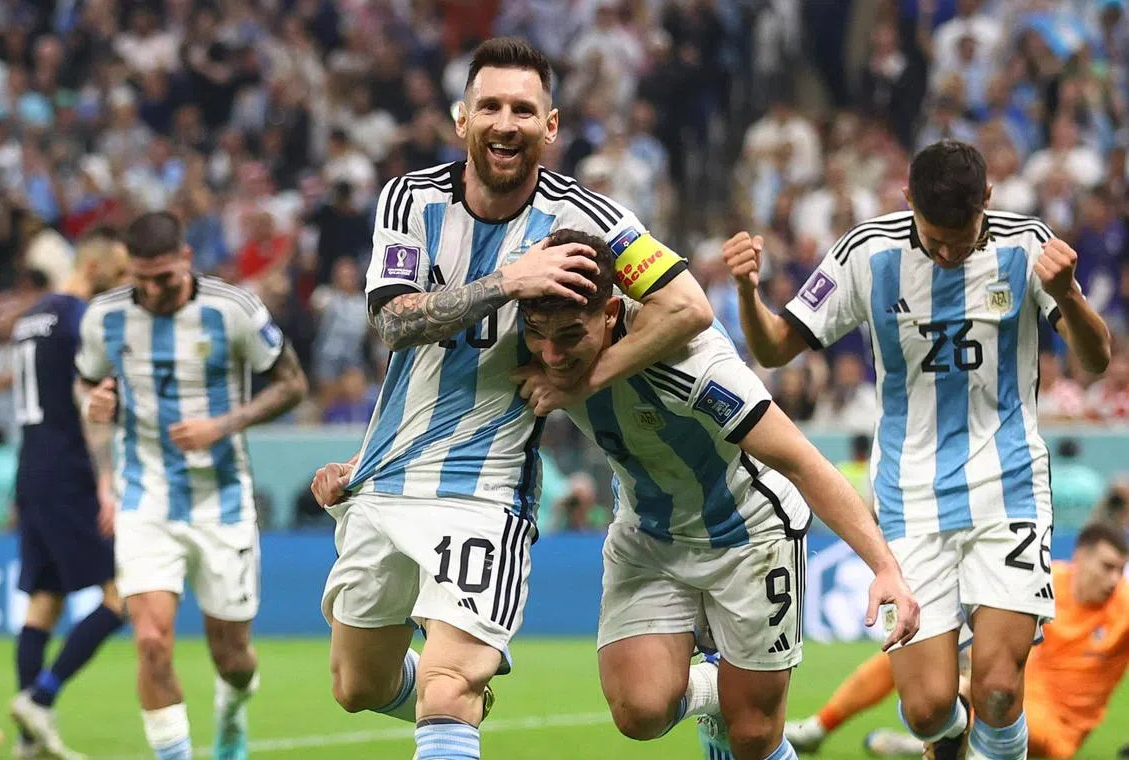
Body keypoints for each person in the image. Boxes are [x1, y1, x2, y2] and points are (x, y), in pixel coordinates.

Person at [308, 37, 713, 760]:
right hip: (386, 477)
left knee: (444, 689)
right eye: (489, 106)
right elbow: (392, 321)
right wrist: (508, 282)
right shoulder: (409, 198)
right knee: (356, 685)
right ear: (461, 118)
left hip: (484, 487)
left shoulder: (591, 219)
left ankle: (459, 687)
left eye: (524, 110)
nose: (505, 123)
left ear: (550, 126)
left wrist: (581, 379)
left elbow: (687, 307)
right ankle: (460, 685)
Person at [725, 139, 1112, 759]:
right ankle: (949, 739)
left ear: (988, 200)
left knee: (998, 690)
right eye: (935, 240)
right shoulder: (866, 253)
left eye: (962, 239)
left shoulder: (1027, 246)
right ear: (907, 200)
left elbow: (1096, 360)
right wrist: (748, 292)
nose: (949, 254)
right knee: (927, 709)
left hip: (1008, 489)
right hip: (908, 502)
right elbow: (773, 347)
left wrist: (1066, 293)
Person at [512, 228, 920, 760]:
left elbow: (801, 461)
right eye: (537, 334)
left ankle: (732, 692)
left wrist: (884, 568)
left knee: (753, 736)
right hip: (648, 533)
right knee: (639, 711)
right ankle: (716, 686)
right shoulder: (527, 349)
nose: (551, 354)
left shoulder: (693, 364)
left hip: (749, 533)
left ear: (610, 313)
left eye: (570, 335)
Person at [76, 211, 309, 760]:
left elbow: (293, 384)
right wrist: (98, 426)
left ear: (186, 258)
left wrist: (222, 425)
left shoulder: (234, 309)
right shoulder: (104, 317)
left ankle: (231, 715)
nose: (153, 292)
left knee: (233, 658)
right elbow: (87, 389)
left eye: (164, 278)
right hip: (145, 498)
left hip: (222, 501)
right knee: (151, 642)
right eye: (142, 280)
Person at [787, 521, 1129, 759]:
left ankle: (931, 738)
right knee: (911, 647)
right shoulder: (1046, 579)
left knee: (991, 698)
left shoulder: (1123, 608)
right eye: (1107, 566)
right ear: (1080, 557)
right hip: (1006, 682)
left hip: (1053, 726)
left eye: (1120, 569)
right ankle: (818, 728)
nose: (1114, 578)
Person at [7, 227, 129, 760]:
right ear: (95, 268)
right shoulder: (81, 318)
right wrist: (105, 482)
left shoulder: (30, 319)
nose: (124, 286)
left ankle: (29, 741)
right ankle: (40, 697)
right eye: (119, 275)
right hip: (68, 470)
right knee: (121, 595)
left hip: (31, 468)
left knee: (44, 601)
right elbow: (90, 402)